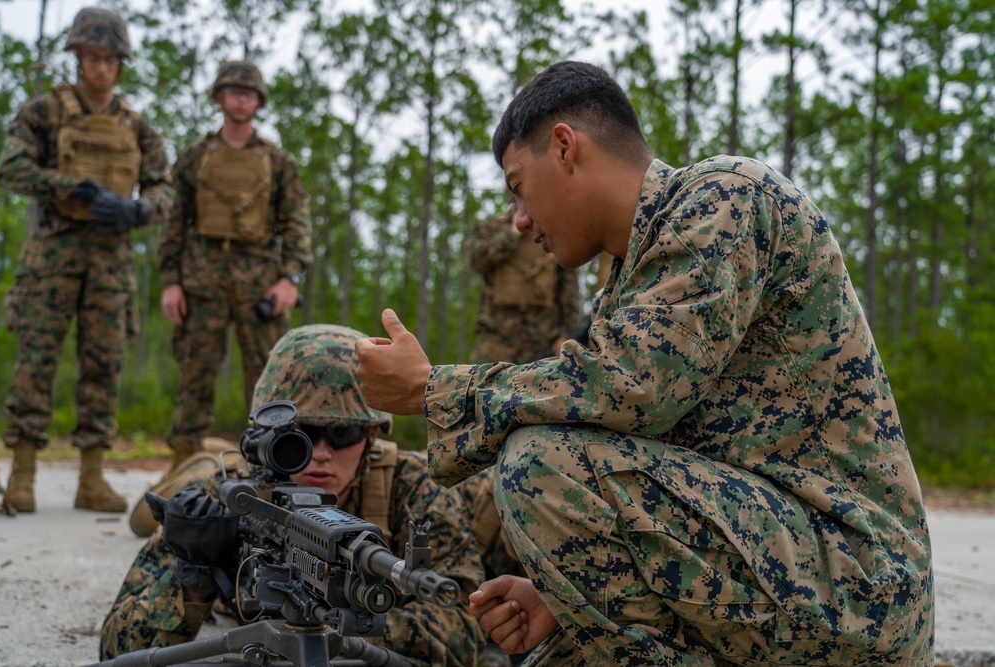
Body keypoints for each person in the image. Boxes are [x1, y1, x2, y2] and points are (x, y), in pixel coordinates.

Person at [354, 61, 934, 666]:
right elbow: (670, 448)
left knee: (541, 465)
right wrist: (567, 587)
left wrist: (434, 390)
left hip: (858, 586)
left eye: (518, 187)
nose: (520, 219)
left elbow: (632, 385)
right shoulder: (630, 281)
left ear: (563, 147)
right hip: (787, 571)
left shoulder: (727, 194)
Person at [100, 324, 484, 667]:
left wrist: (335, 629)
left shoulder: (412, 486)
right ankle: (198, 459)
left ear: (371, 436)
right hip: (218, 480)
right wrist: (193, 576)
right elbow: (117, 648)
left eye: (342, 434)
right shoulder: (228, 495)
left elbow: (460, 632)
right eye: (298, 437)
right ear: (266, 439)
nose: (320, 452)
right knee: (165, 505)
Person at [0, 7, 173, 514]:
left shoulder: (137, 126)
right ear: (77, 58)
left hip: (111, 262)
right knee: (35, 363)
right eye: (92, 57)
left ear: (121, 64)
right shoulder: (44, 112)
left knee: (104, 367)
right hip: (51, 257)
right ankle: (23, 474)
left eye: (110, 59)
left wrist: (138, 209)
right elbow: (10, 167)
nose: (100, 67)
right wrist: (68, 186)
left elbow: (164, 187)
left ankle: (91, 477)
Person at [157, 60, 313, 471]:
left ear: (258, 102)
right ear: (219, 97)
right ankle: (182, 471)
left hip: (259, 281)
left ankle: (272, 470)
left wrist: (289, 277)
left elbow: (297, 220)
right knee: (195, 378)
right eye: (233, 91)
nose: (241, 98)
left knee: (270, 380)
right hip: (200, 279)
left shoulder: (277, 162)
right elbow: (174, 222)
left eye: (249, 93)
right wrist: (171, 281)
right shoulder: (194, 157)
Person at [466, 208, 582, 364]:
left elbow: (569, 289)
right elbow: (476, 260)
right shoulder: (493, 227)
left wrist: (566, 334)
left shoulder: (551, 229)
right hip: (496, 338)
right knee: (480, 386)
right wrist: (511, 234)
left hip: (543, 341)